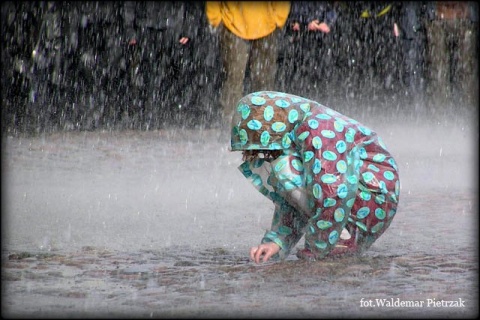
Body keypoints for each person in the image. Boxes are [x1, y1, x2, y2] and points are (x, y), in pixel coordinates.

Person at [230, 91, 400, 263]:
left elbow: (334, 193)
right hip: (368, 202)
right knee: (287, 170)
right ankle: (337, 236)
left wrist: (316, 251)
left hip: (371, 197)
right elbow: (298, 197)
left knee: (284, 169)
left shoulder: (317, 128)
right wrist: (276, 242)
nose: (262, 156)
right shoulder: (301, 127)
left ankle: (339, 238)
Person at [205, 1, 291, 131]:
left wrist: (279, 17)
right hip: (232, 24)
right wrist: (215, 19)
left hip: (267, 24)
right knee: (234, 77)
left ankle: (264, 124)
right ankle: (231, 126)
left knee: (263, 79)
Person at [277, 1, 338, 102]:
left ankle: (314, 101)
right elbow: (292, 13)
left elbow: (332, 11)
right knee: (297, 74)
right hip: (301, 39)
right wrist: (303, 22)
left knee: (318, 75)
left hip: (319, 41)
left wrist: (325, 22)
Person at [425, 1, 478, 110]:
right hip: (439, 16)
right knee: (439, 71)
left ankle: (467, 111)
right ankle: (441, 115)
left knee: (466, 70)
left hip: (464, 16)